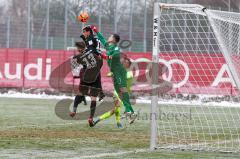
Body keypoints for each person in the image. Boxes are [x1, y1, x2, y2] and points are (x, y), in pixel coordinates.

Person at [91, 25, 137, 123]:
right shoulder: (108, 45)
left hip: (120, 72)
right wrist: (96, 31)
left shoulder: (116, 48)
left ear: (114, 40)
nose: (108, 38)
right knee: (120, 94)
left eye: (110, 37)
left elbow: (115, 55)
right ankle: (131, 113)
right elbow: (102, 38)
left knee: (123, 91)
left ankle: (129, 111)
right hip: (115, 73)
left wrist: (107, 56)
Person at [93, 56, 134, 127]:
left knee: (115, 110)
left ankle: (99, 119)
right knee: (117, 108)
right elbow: (110, 74)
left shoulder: (130, 73)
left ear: (129, 65)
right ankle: (118, 123)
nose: (124, 63)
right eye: (124, 62)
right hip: (117, 92)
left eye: (126, 63)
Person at [70, 41, 103, 127]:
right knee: (93, 98)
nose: (77, 50)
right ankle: (91, 117)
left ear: (79, 48)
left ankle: (74, 110)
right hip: (96, 75)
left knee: (80, 92)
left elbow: (75, 68)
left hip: (86, 75)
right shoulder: (92, 51)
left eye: (77, 48)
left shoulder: (78, 57)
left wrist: (76, 74)